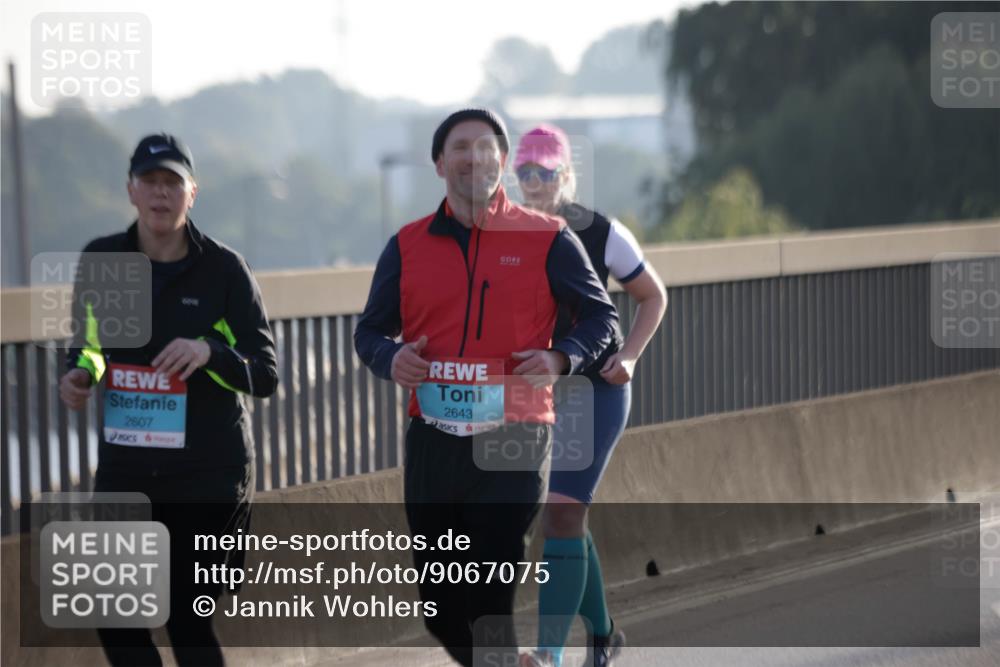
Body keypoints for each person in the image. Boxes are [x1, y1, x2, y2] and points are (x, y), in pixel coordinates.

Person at [354, 108, 619, 667]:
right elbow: (369, 332)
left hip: (515, 437)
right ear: (438, 163)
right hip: (434, 439)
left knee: (489, 600)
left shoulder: (548, 237)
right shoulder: (406, 246)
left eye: (485, 147)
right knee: (440, 609)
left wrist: (560, 356)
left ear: (502, 160)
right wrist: (390, 357)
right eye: (459, 148)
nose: (473, 157)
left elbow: (603, 319)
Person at [58, 133, 279, 667]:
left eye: (172, 183)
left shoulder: (225, 269)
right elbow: (89, 348)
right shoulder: (102, 259)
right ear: (131, 190)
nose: (161, 194)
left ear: (192, 193)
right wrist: (79, 376)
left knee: (186, 616)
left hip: (208, 472)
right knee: (115, 615)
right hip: (127, 468)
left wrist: (209, 352)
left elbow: (264, 374)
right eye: (150, 182)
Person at [514, 124, 668, 667]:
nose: (534, 183)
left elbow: (652, 296)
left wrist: (629, 355)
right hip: (541, 394)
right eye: (524, 173)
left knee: (560, 514)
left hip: (597, 391)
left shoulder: (603, 233)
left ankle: (549, 655)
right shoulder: (510, 233)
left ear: (566, 175)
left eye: (545, 173)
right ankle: (604, 637)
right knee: (565, 517)